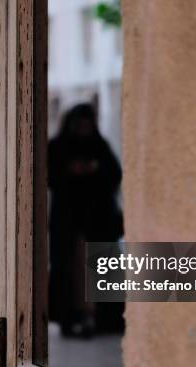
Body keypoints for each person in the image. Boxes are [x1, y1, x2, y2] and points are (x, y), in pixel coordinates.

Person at [48, 103, 124, 337]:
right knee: (70, 271)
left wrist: (93, 169)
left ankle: (104, 319)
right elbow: (50, 176)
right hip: (69, 220)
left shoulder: (99, 147)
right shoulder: (58, 147)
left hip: (98, 220)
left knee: (102, 268)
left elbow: (114, 175)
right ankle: (72, 317)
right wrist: (73, 172)